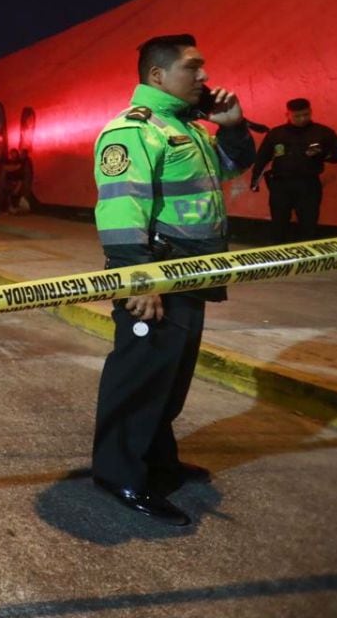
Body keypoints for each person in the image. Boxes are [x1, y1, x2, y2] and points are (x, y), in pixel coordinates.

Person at [91, 34, 255, 526]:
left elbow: (234, 166)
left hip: (192, 272)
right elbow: (121, 206)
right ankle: (119, 473)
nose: (205, 77)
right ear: (158, 76)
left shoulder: (187, 128)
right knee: (139, 378)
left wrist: (233, 128)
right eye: (193, 68)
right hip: (157, 274)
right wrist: (139, 279)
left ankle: (158, 461)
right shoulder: (133, 129)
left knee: (170, 377)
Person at [249, 98, 337, 243]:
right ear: (287, 114)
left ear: (311, 112)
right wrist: (255, 181)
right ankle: (279, 257)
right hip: (281, 184)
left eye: (306, 114)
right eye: (297, 116)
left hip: (309, 184)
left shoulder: (323, 133)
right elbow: (263, 157)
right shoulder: (276, 134)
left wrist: (322, 153)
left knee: (309, 222)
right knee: (278, 223)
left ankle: (307, 259)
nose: (302, 119)